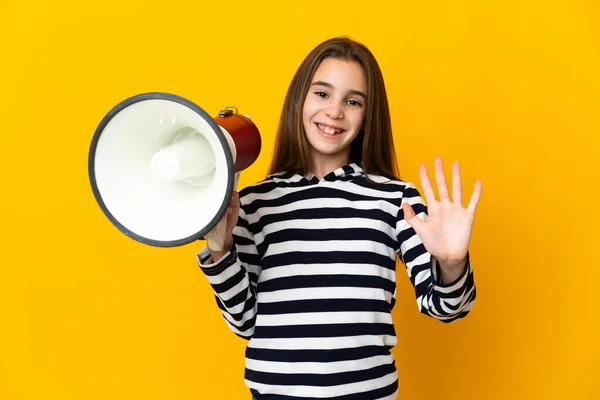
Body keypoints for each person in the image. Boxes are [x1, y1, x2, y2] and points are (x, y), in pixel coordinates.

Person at [197, 36, 482, 400]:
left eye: (353, 101)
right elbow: (245, 321)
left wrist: (451, 263)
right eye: (321, 94)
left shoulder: (395, 199)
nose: (334, 112)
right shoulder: (253, 202)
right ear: (299, 99)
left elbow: (444, 308)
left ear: (367, 116)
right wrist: (220, 252)